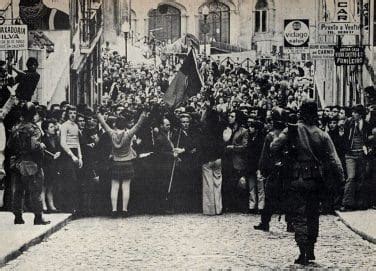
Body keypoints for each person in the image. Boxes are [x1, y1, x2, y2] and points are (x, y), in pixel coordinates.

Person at [269, 100, 344, 265]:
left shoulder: (292, 130)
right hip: (316, 180)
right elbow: (334, 160)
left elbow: (274, 146)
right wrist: (340, 179)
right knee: (313, 214)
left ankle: (302, 251)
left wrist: (285, 156)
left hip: (296, 179)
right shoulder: (322, 134)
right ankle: (310, 249)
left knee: (299, 215)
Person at [97, 110, 148, 217]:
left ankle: (114, 210)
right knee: (126, 187)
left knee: (114, 187)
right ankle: (125, 210)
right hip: (127, 163)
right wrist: (143, 115)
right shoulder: (128, 134)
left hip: (115, 162)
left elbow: (104, 124)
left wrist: (98, 115)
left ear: (115, 125)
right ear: (125, 125)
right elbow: (138, 125)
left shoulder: (112, 134)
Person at [8, 102, 50, 225]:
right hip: (31, 162)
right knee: (36, 190)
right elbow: (34, 145)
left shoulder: (16, 127)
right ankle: (38, 217)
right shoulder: (34, 128)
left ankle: (18, 216)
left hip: (17, 162)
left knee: (18, 191)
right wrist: (41, 145)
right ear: (33, 114)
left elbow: (9, 145)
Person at [341, 105, 372, 211]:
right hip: (350, 154)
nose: (353, 114)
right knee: (351, 177)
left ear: (360, 114)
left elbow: (368, 138)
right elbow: (344, 137)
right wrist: (346, 148)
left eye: (355, 112)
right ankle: (347, 203)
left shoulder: (366, 124)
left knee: (361, 178)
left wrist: (367, 148)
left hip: (362, 154)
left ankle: (360, 203)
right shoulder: (348, 123)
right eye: (353, 112)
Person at [59, 106, 83, 213]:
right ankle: (68, 207)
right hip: (67, 155)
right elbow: (63, 143)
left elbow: (77, 143)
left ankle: (74, 207)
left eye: (74, 113)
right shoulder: (64, 126)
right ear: (67, 114)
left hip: (75, 154)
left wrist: (80, 157)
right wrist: (72, 155)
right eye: (71, 113)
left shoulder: (76, 126)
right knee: (70, 180)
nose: (73, 115)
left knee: (76, 181)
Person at [41, 118, 61, 213]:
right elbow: (42, 154)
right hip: (46, 165)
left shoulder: (56, 138)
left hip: (54, 166)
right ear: (46, 129)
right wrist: (52, 158)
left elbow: (59, 149)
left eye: (53, 126)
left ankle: (51, 205)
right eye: (51, 127)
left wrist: (58, 153)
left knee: (51, 186)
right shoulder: (42, 139)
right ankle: (44, 205)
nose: (54, 128)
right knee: (44, 186)